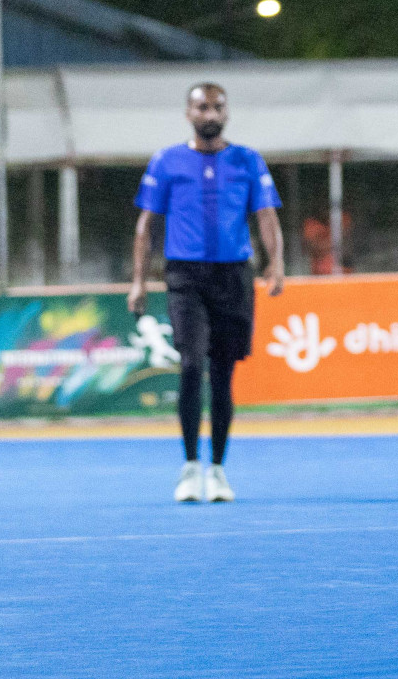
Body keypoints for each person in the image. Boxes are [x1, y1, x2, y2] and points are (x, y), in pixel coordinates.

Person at [128, 82, 285, 503]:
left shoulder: (247, 160)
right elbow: (146, 225)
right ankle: (188, 466)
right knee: (191, 364)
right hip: (185, 277)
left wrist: (276, 263)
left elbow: (266, 215)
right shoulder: (167, 161)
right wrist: (139, 280)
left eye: (217, 107)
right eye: (202, 107)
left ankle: (217, 469)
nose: (210, 114)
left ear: (226, 113)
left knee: (222, 373)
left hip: (234, 274)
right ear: (188, 114)